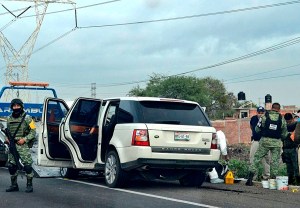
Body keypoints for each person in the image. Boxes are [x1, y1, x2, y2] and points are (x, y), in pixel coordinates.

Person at [246, 102, 288, 186]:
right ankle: (272, 181)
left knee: (257, 158)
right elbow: (284, 134)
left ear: (272, 108)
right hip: (276, 143)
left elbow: (257, 129)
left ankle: (250, 179)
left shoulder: (264, 116)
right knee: (274, 161)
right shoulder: (281, 118)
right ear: (279, 109)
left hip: (264, 142)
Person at [5, 98, 36, 193]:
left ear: (21, 106)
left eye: (18, 105)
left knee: (27, 166)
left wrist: (24, 139)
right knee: (11, 166)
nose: (16, 107)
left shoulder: (28, 118)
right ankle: (14, 185)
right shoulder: (9, 118)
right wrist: (7, 139)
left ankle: (29, 185)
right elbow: (8, 132)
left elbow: (33, 131)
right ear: (12, 107)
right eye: (14, 106)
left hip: (22, 145)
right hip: (13, 144)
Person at [249, 106, 270, 180]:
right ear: (256, 112)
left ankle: (266, 177)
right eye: (259, 112)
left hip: (264, 142)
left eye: (262, 113)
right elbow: (251, 127)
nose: (260, 114)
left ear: (264, 113)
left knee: (265, 160)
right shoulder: (253, 118)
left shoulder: (267, 119)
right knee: (252, 158)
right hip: (256, 141)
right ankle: (253, 177)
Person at [282, 113, 299, 185]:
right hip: (289, 149)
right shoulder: (295, 125)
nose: (288, 122)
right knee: (292, 166)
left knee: (293, 166)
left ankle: (294, 181)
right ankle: (294, 181)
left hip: (291, 148)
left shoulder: (284, 126)